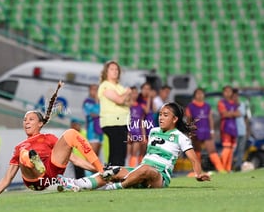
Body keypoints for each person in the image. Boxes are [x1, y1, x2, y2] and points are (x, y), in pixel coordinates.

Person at [57, 102, 211, 191]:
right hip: (141, 170)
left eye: (166, 115)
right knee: (113, 170)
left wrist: (198, 174)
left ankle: (115, 187)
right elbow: (147, 155)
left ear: (175, 119)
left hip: (160, 177)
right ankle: (74, 184)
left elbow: (193, 159)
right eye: (160, 114)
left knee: (146, 170)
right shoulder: (154, 131)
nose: (161, 117)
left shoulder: (180, 137)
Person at [0, 82, 104, 198]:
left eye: (31, 119)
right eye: (25, 120)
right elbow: (8, 177)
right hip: (34, 181)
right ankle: (34, 163)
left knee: (71, 133)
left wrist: (99, 170)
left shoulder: (49, 138)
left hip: (50, 178)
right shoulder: (20, 146)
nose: (26, 122)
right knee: (24, 153)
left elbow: (75, 159)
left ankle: (101, 169)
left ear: (40, 124)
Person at [98, 60, 131, 166]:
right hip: (112, 122)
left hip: (122, 122)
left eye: (116, 69)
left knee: (121, 152)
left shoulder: (119, 86)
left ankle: (117, 175)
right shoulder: (105, 85)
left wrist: (123, 97)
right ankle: (113, 175)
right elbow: (120, 100)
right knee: (116, 152)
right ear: (106, 72)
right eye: (112, 69)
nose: (115, 71)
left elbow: (129, 102)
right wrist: (126, 93)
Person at [185, 88, 226, 174]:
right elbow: (189, 119)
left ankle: (221, 169)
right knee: (197, 150)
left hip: (206, 131)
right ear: (195, 95)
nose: (200, 95)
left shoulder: (207, 106)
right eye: (198, 93)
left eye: (201, 93)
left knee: (212, 150)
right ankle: (197, 171)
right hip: (196, 131)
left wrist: (212, 131)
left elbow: (210, 119)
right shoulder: (190, 106)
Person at [218, 85, 240, 172]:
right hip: (225, 127)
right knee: (226, 147)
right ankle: (222, 167)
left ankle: (228, 168)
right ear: (223, 93)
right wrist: (232, 113)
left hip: (233, 127)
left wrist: (229, 113)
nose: (228, 93)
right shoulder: (221, 102)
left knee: (231, 148)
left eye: (229, 91)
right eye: (226, 91)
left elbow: (239, 114)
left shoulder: (234, 103)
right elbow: (224, 114)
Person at [127, 86, 146, 167]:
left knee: (135, 153)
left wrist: (143, 135)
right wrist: (127, 132)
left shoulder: (140, 107)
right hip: (128, 132)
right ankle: (126, 169)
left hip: (137, 132)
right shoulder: (126, 106)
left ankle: (133, 169)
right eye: (133, 93)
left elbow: (141, 121)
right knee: (128, 153)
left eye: (136, 93)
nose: (134, 95)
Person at [82, 84, 103, 157]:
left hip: (101, 131)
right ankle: (87, 169)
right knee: (91, 157)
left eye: (97, 90)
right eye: (93, 89)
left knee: (97, 157)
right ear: (89, 91)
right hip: (92, 131)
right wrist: (97, 102)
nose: (96, 92)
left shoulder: (101, 102)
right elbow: (95, 113)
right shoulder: (87, 102)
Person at [232, 88, 249, 171]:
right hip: (234, 131)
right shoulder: (231, 105)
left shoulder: (242, 104)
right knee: (233, 150)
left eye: (236, 96)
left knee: (241, 149)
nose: (235, 97)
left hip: (242, 130)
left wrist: (247, 130)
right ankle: (231, 165)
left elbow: (245, 118)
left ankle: (238, 166)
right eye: (233, 96)